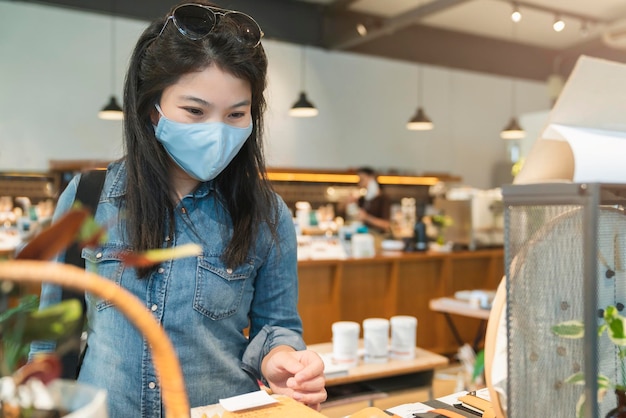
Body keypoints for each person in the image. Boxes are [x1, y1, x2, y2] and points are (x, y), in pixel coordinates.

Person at [29, 1, 327, 416]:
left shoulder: (266, 213)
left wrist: (283, 359)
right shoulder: (88, 197)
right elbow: (52, 332)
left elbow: (278, 326)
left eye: (236, 114)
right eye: (194, 111)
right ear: (153, 109)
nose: (216, 130)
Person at [353, 167, 391, 234]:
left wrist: (366, 217)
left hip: (377, 237)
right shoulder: (363, 199)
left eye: (362, 180)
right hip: (365, 235)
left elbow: (386, 225)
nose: (359, 183)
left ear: (371, 178)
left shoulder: (383, 199)